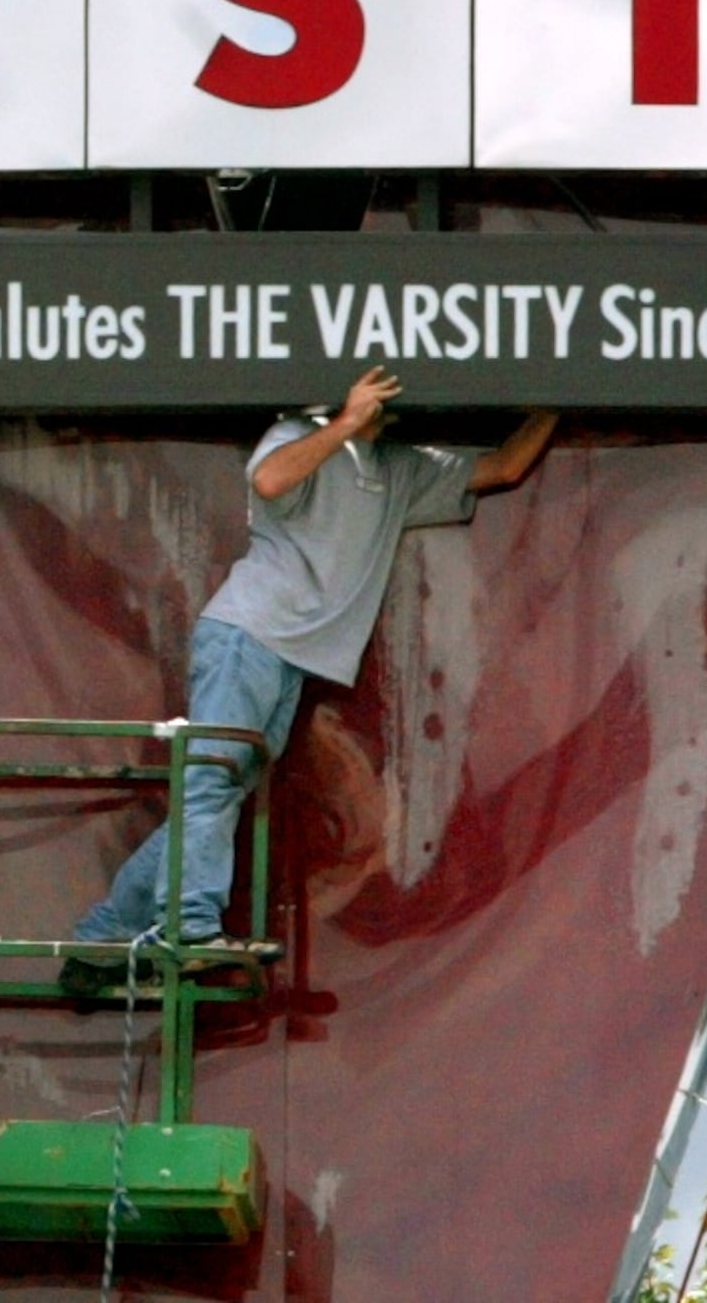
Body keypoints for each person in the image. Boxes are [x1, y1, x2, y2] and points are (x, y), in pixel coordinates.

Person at [67, 370, 556, 983]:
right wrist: (345, 423)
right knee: (212, 784)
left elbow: (503, 469)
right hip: (247, 635)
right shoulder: (296, 433)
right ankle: (187, 926)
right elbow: (270, 479)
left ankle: (105, 933)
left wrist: (558, 403)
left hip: (290, 655)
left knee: (218, 794)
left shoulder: (400, 468)